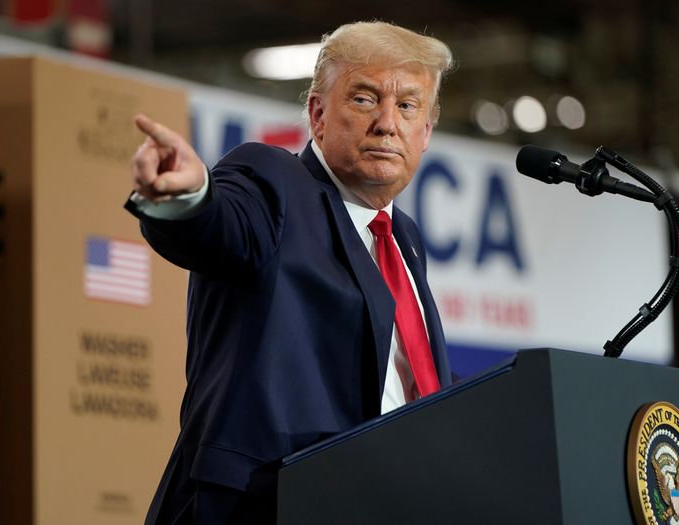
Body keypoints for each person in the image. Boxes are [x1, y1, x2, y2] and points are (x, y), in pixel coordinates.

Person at [127, 21, 454, 524]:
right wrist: (186, 197)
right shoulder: (273, 181)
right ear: (318, 115)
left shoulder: (404, 239)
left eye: (407, 106)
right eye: (365, 100)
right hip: (262, 506)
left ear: (426, 133)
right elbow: (219, 225)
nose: (388, 123)